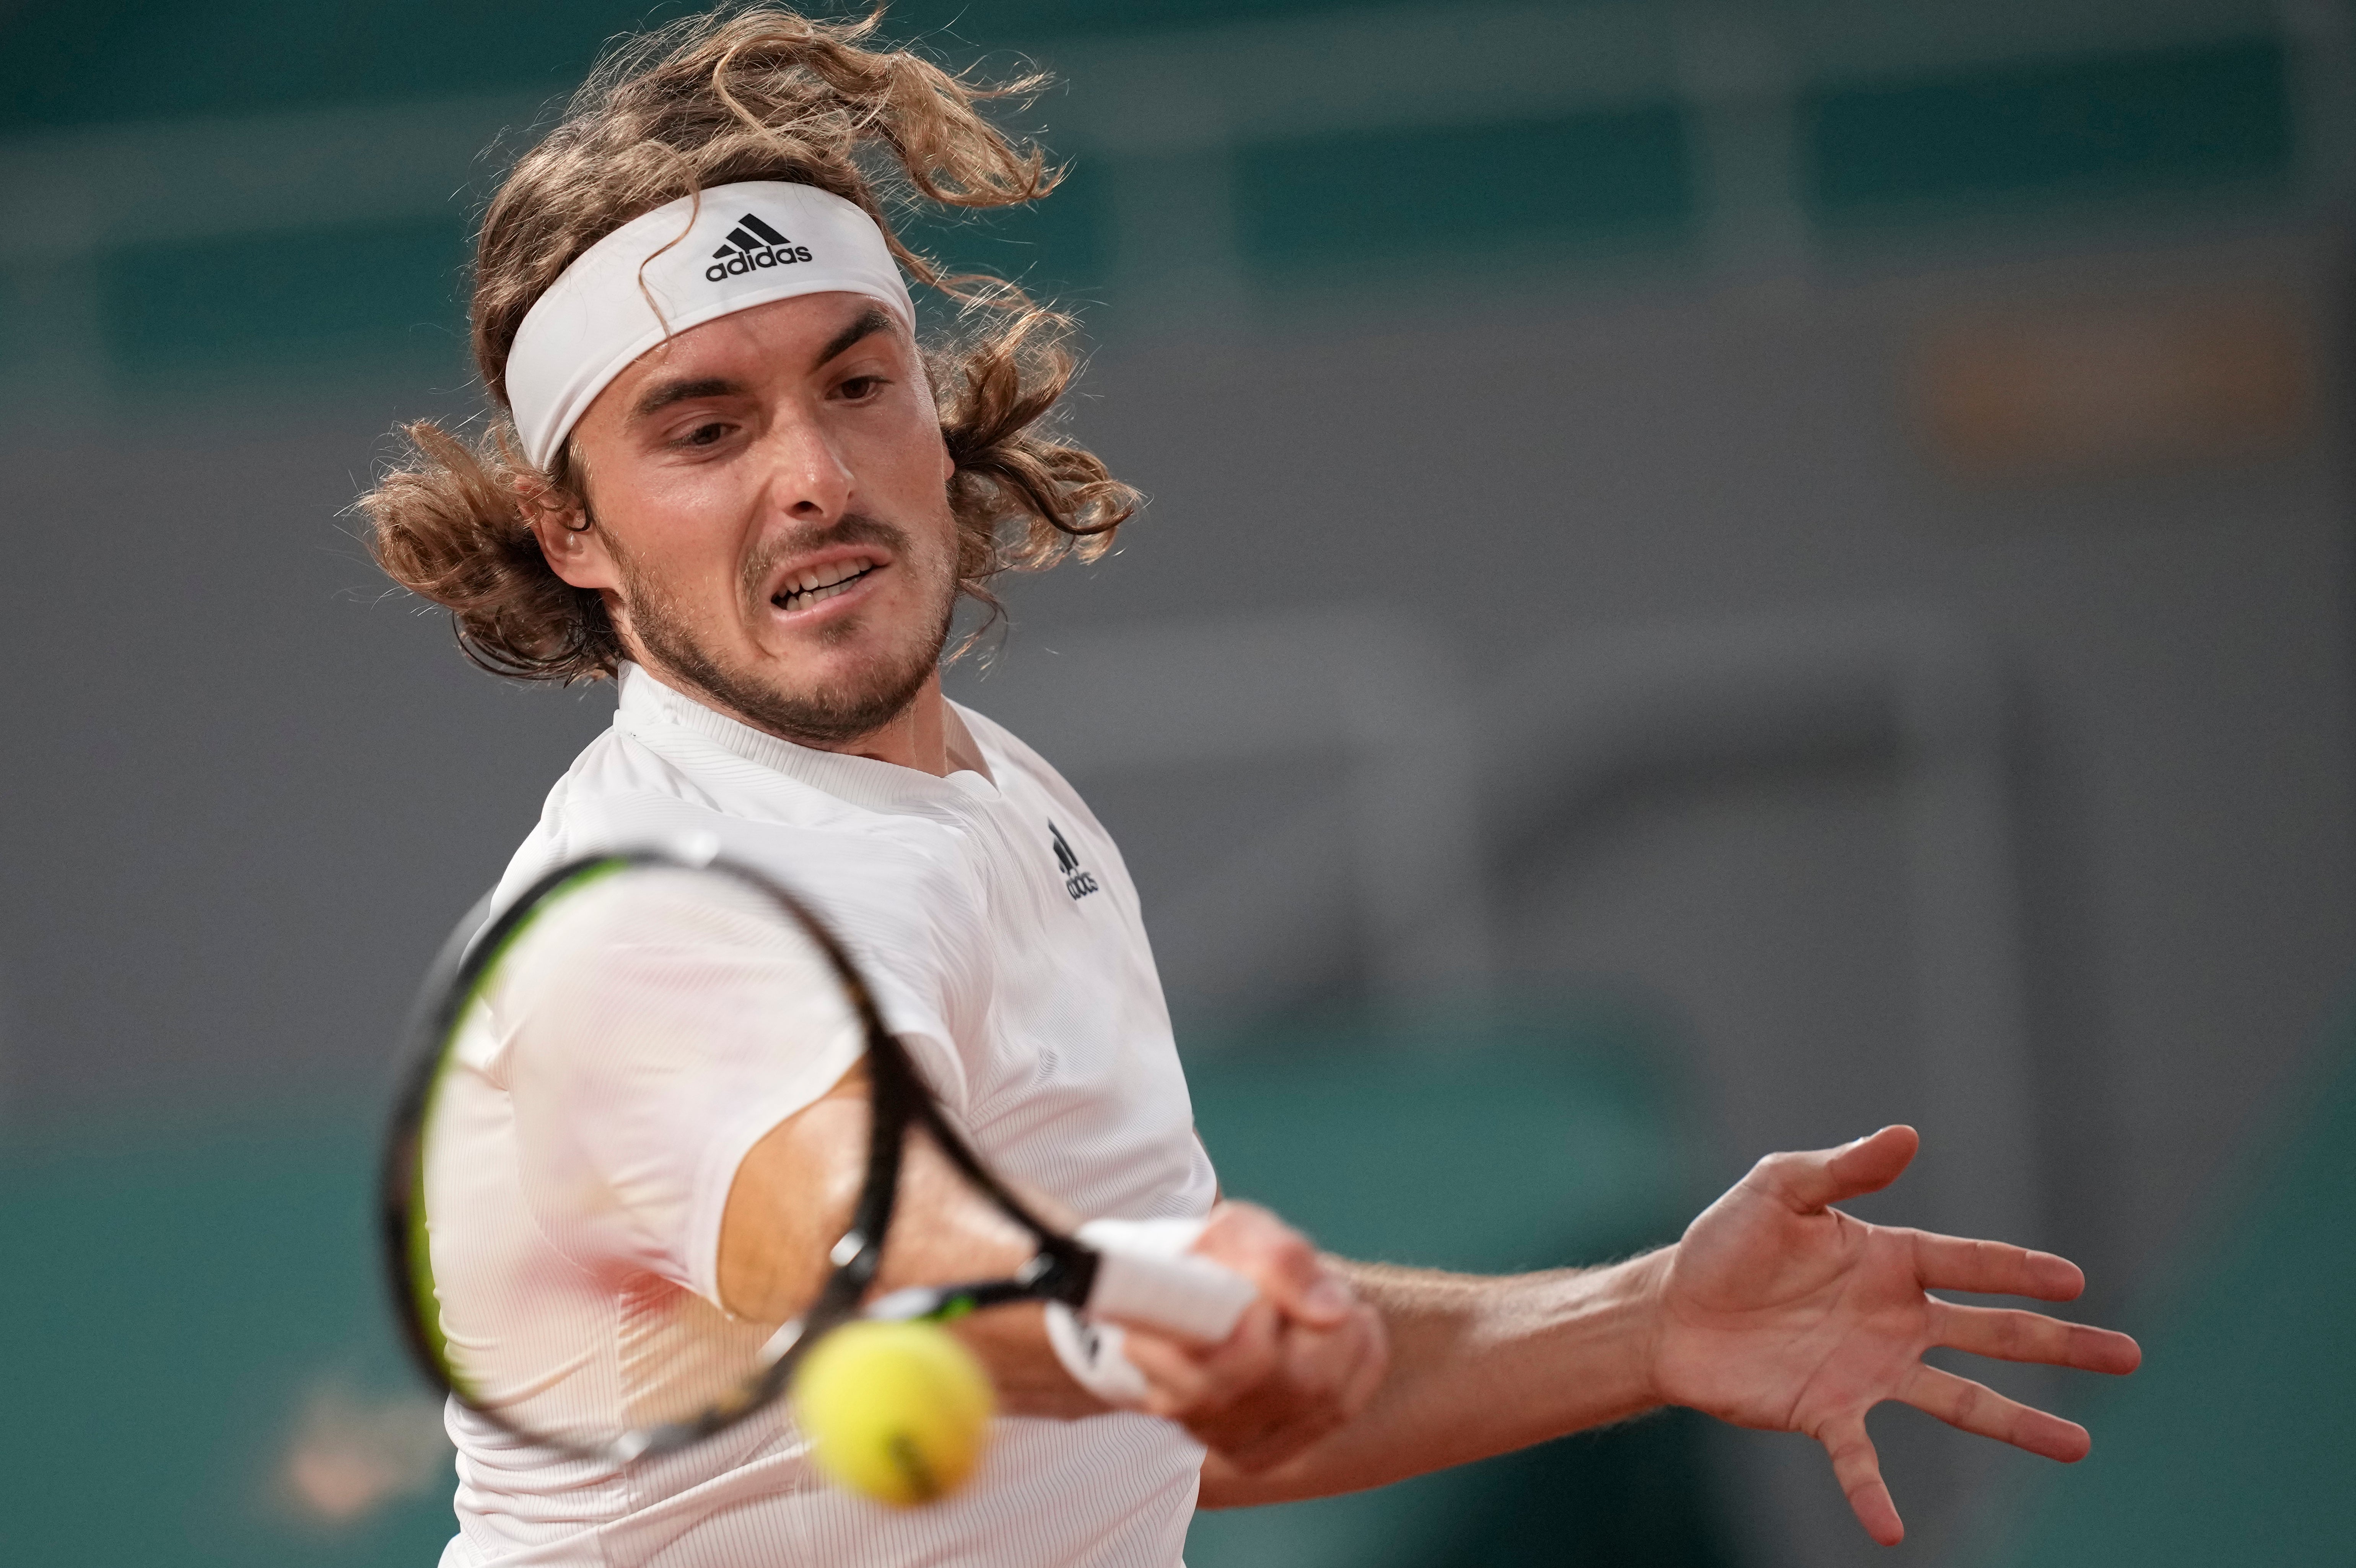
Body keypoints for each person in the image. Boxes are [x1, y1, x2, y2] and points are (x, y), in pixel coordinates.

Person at [360, 11, 2140, 1566]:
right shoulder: (641, 910)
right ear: (569, 532)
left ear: (932, 407)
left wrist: (1645, 1321)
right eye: (705, 427)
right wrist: (1138, 1304)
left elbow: (1180, 1422)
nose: (815, 475)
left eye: (856, 381)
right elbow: (874, 1235)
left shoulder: (1008, 807)